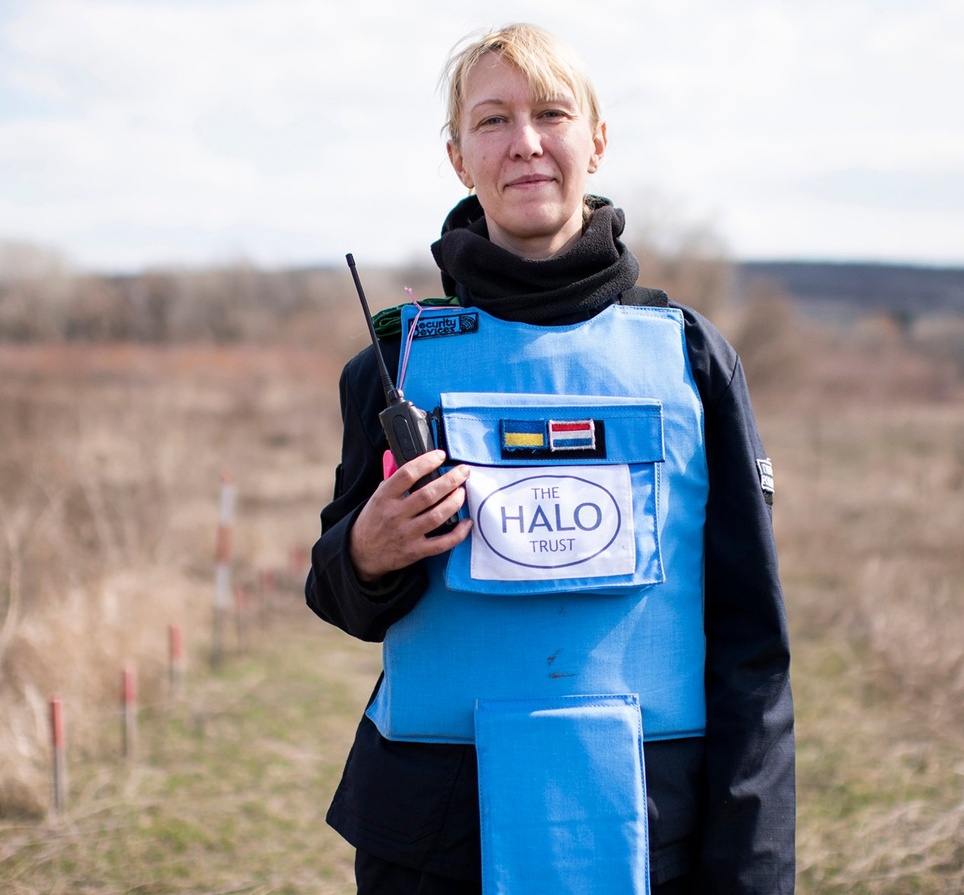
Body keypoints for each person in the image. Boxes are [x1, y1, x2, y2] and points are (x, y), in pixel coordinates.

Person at [305, 23, 794, 895]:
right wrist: (365, 552)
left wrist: (751, 873)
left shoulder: (691, 358)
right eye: (492, 121)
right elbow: (341, 596)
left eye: (552, 113)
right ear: (458, 157)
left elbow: (754, 648)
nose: (525, 142)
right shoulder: (392, 370)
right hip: (433, 839)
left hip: (658, 830)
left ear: (596, 141)